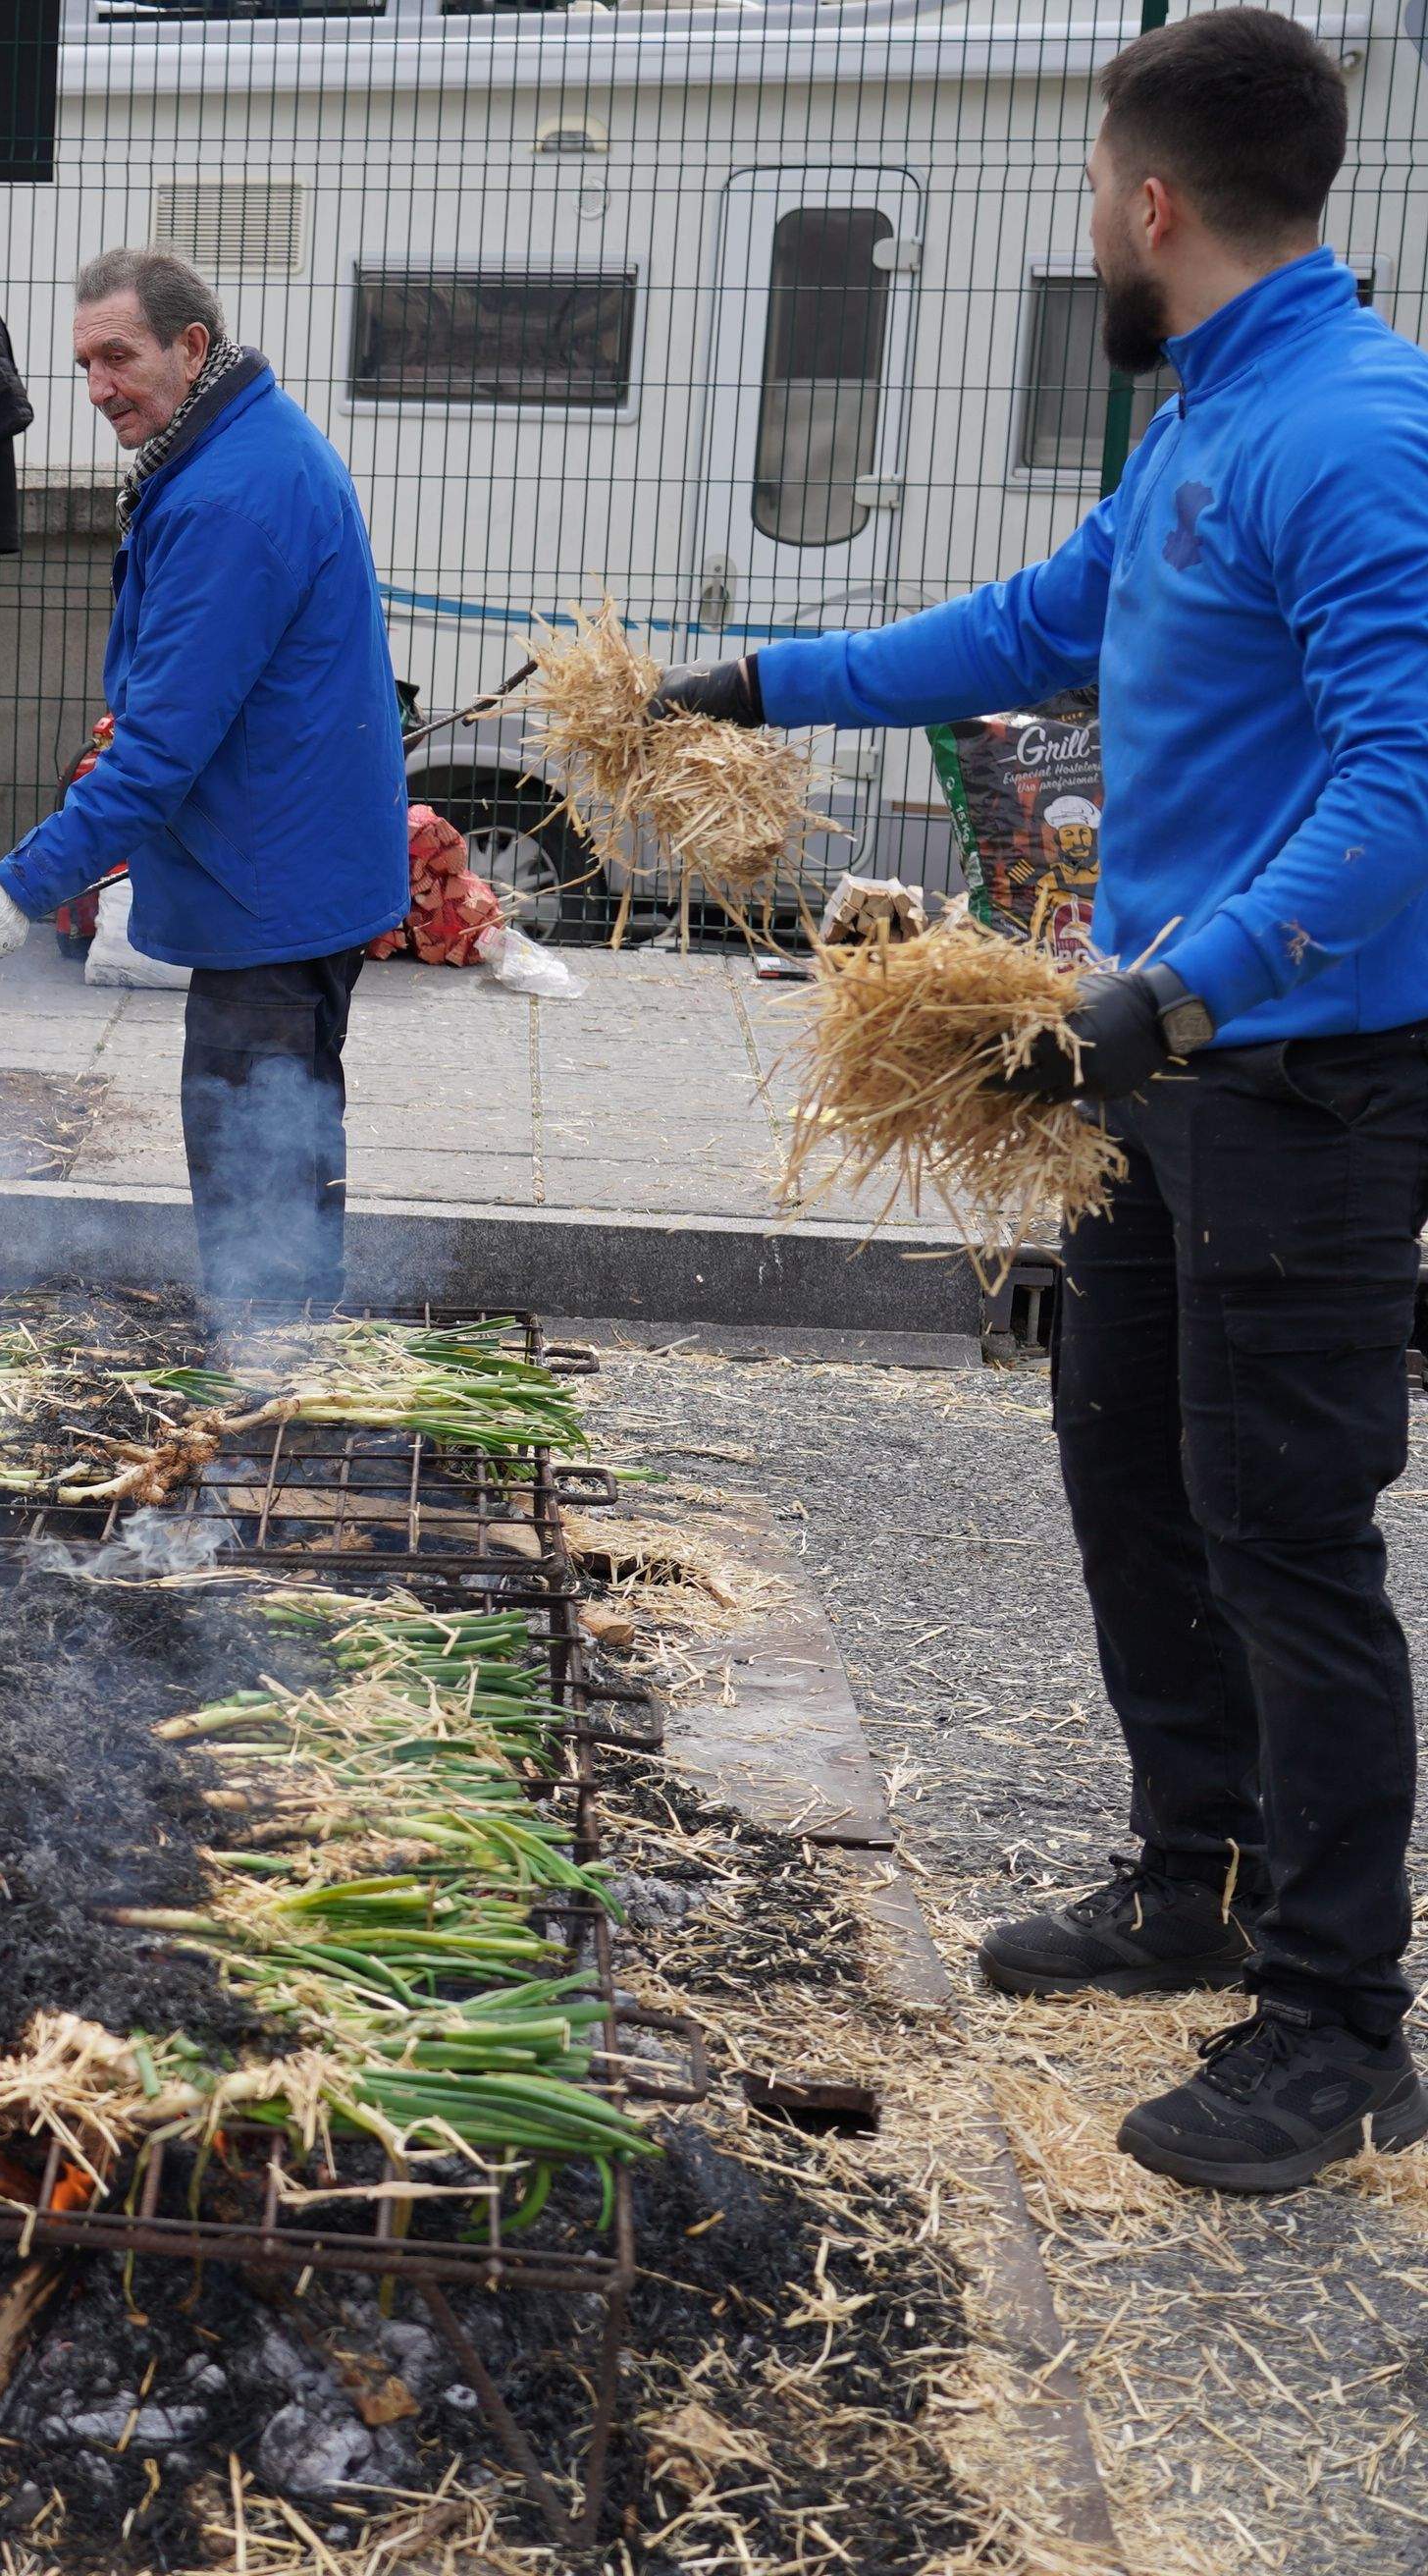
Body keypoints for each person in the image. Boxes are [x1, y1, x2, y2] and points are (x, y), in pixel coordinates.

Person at [657, 9, 1428, 2193]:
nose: (1092, 222)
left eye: (1098, 189)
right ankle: (1193, 1868)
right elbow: (1030, 623)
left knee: (1286, 1528)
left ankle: (1342, 2018)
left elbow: (1408, 781)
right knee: (1125, 1471)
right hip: (1162, 1067)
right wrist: (759, 682)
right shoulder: (1205, 425)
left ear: (1152, 203)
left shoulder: (1357, 432)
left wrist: (1178, 987)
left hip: (1297, 1079)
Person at [0, 249, 407, 1312]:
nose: (97, 387)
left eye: (119, 357)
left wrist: (21, 887)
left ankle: (270, 1390)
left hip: (273, 894)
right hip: (287, 873)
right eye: (85, 362)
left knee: (259, 1190)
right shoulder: (237, 449)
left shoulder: (233, 495)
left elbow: (154, 753)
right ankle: (280, 1370)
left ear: (192, 348)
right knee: (276, 1161)